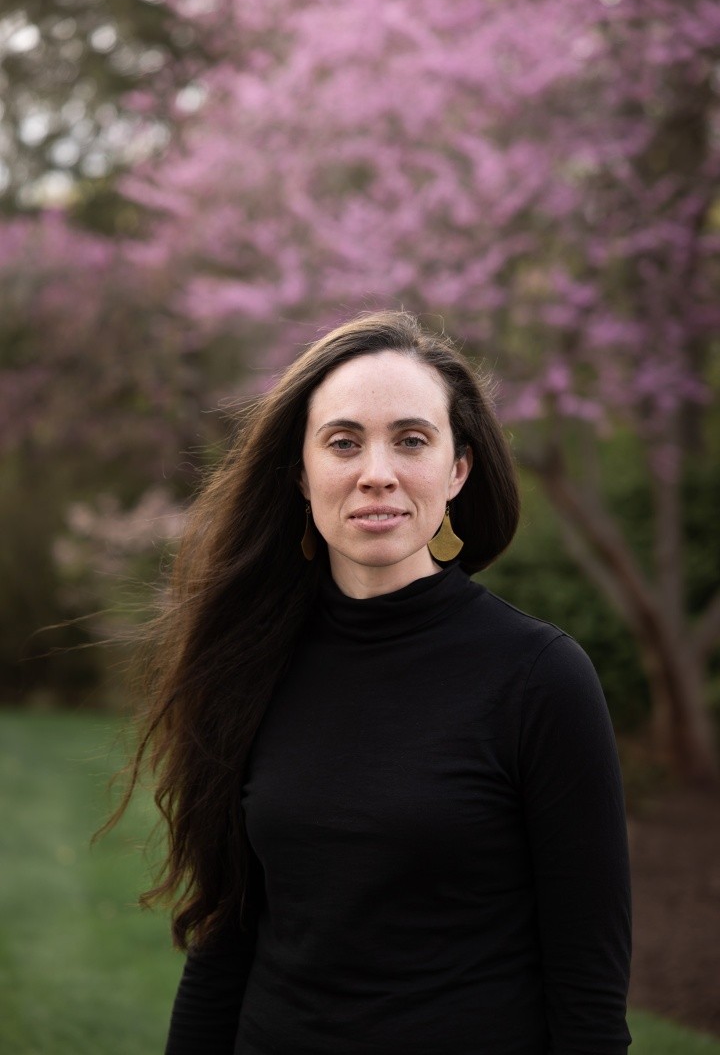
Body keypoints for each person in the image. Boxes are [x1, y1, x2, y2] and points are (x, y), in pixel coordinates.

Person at [119, 310, 631, 1054]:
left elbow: (588, 994)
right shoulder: (251, 661)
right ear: (302, 472)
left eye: (412, 440)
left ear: (458, 470)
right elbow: (225, 936)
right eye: (344, 442)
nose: (377, 472)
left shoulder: (540, 679)